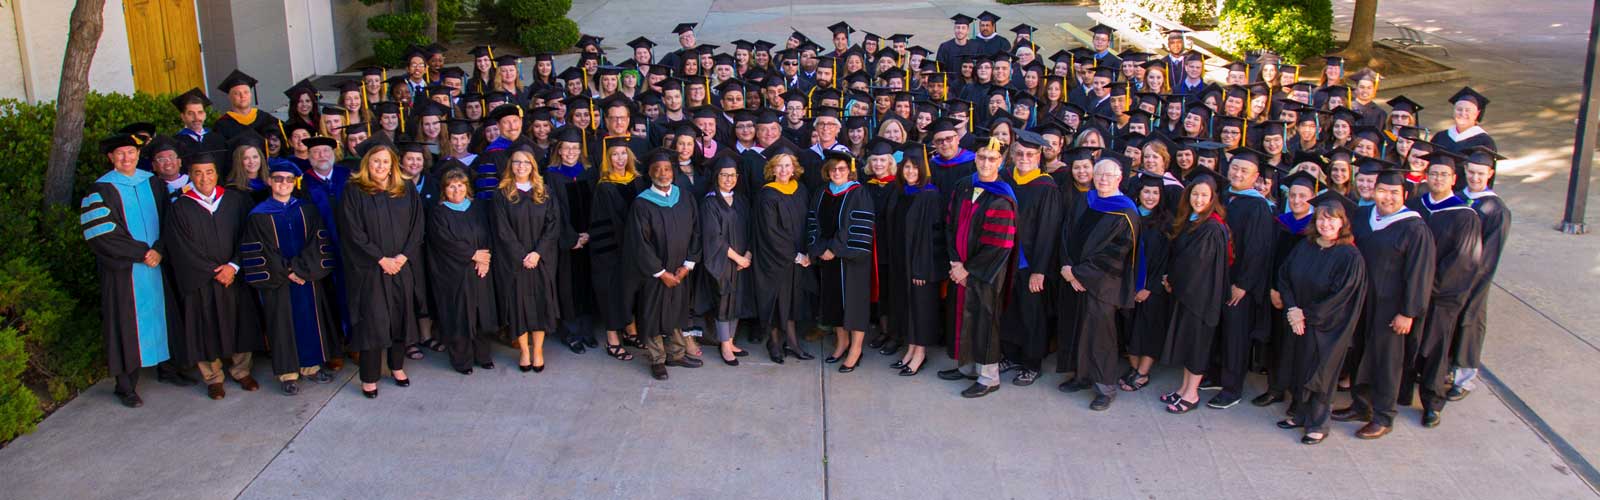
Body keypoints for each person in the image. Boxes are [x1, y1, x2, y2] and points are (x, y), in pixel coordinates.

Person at [1334, 161, 1436, 440]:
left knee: (1386, 361)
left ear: (1404, 194)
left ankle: (1383, 415)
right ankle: (1361, 405)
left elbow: (1420, 273)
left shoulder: (1414, 228)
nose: (1387, 197)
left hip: (1392, 308)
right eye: (1381, 190)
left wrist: (1408, 312)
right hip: (1362, 302)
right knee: (1359, 353)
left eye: (1393, 192)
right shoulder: (1363, 216)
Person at [81, 133, 183, 407]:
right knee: (127, 322)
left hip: (157, 263)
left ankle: (168, 369)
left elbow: (168, 220)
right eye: (120, 153)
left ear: (139, 154)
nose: (127, 157)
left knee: (164, 315)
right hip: (125, 271)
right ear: (111, 158)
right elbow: (102, 234)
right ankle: (125, 386)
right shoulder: (99, 189)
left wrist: (160, 249)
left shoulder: (152, 182)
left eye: (131, 152)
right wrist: (141, 253)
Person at [163, 151, 262, 400]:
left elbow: (249, 236)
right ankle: (213, 377)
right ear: (191, 175)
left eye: (209, 172)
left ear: (217, 174)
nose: (204, 177)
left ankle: (241, 371)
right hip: (202, 281)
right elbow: (180, 247)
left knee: (241, 323)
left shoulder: (235, 201)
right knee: (204, 327)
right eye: (197, 172)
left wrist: (234, 266)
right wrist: (212, 271)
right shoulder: (181, 207)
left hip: (234, 277)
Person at [240, 159, 340, 395]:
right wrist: (289, 271)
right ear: (269, 181)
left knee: (309, 320)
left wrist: (302, 270)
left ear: (295, 183)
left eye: (288, 179)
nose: (283, 183)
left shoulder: (307, 209)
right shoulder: (258, 215)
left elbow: (318, 242)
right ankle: (287, 373)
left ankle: (310, 366)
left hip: (306, 279)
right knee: (281, 324)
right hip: (278, 281)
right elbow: (260, 250)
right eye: (278, 179)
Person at [1275, 202, 1368, 445]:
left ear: (1342, 222)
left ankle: (1318, 423)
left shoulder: (1350, 255)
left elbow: (1341, 295)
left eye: (1332, 219)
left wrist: (1304, 314)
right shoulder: (1306, 246)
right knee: (1299, 366)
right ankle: (1299, 414)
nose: (1326, 224)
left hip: (1329, 326)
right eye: (1321, 219)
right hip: (1298, 320)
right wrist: (1292, 308)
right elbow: (1285, 275)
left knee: (1320, 372)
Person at [337, 144, 426, 399]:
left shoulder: (405, 188)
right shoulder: (354, 190)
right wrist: (380, 259)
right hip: (370, 269)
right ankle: (369, 377)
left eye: (386, 162)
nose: (381, 166)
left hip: (400, 265)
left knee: (400, 317)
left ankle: (397, 367)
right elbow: (352, 232)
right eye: (375, 161)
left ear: (393, 164)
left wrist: (402, 257)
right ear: (367, 163)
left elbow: (417, 225)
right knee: (372, 323)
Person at [1405, 150, 1483, 428]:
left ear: (1454, 178)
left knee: (1435, 351)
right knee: (1405, 345)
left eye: (1443, 174)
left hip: (1441, 298)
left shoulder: (1465, 215)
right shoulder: (1415, 205)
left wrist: (1426, 288)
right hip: (1409, 293)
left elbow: (1462, 262)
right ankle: (1401, 394)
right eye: (1433, 173)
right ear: (1426, 176)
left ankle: (1432, 403)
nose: (1437, 178)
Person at [936, 141, 1017, 398]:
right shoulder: (964, 185)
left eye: (992, 159)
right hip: (959, 267)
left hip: (986, 272)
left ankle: (988, 377)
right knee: (963, 317)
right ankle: (967, 366)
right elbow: (949, 224)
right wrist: (954, 262)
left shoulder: (1002, 196)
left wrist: (967, 269)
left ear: (1001, 162)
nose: (985, 163)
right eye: (982, 157)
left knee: (984, 320)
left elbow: (1000, 244)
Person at [1057, 158, 1139, 410]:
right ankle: (1081, 376)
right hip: (1074, 278)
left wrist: (1079, 274)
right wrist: (1068, 269)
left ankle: (1105, 387)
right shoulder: (1086, 200)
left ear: (1119, 178)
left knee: (1100, 334)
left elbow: (1117, 254)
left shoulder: (1125, 212)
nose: (1103, 179)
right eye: (1099, 174)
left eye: (1109, 175)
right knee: (1077, 327)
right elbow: (1066, 234)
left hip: (1103, 284)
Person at [626, 150, 704, 380]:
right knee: (652, 315)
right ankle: (657, 359)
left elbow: (696, 231)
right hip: (655, 273)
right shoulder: (642, 203)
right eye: (657, 169)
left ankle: (676, 354)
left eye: (667, 169)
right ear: (649, 173)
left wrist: (688, 265)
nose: (663, 173)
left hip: (681, 270)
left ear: (674, 171)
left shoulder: (685, 197)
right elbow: (640, 243)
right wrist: (661, 272)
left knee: (678, 312)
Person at [1159, 169, 1231, 414]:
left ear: (1212, 199)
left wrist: (1173, 280)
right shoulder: (1191, 220)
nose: (1198, 200)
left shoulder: (1212, 227)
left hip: (1201, 297)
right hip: (1188, 293)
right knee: (1189, 344)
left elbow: (1195, 263)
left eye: (1204, 196)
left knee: (1197, 346)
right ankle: (1183, 388)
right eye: (1195, 195)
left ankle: (1191, 394)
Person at [1211, 148, 1277, 410]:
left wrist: (1244, 284)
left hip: (1239, 283)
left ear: (1256, 176)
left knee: (1235, 336)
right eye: (1235, 168)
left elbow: (1258, 249)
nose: (1237, 174)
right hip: (1218, 279)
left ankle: (1231, 388)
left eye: (1244, 171)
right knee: (1219, 330)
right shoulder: (1225, 196)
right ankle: (1215, 375)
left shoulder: (1259, 206)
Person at [998, 131, 1063, 386]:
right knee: (1009, 310)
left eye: (1030, 154)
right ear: (1012, 155)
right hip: (1005, 260)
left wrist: (1040, 270)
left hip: (1030, 264)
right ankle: (1012, 355)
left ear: (1039, 157)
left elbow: (1048, 233)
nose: (1024, 158)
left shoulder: (1046, 187)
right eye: (1020, 153)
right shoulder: (1005, 179)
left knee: (1031, 313)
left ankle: (1032, 363)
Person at [492, 148, 562, 373]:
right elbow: (502, 230)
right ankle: (524, 350)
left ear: (533, 166)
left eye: (526, 163)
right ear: (510, 166)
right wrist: (522, 254)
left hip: (541, 259)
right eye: (516, 162)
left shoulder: (544, 192)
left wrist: (537, 253)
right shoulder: (502, 194)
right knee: (518, 305)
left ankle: (538, 350)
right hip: (514, 261)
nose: (521, 167)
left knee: (540, 304)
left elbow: (553, 226)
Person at [808, 150, 876, 372]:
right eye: (833, 169)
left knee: (855, 304)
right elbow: (813, 221)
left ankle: (856, 349)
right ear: (827, 171)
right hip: (827, 258)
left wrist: (834, 249)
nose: (837, 172)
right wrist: (819, 248)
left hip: (851, 259)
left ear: (850, 171)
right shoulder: (821, 192)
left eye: (842, 169)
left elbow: (857, 227)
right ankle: (842, 342)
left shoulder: (859, 193)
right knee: (833, 301)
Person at [1451, 147, 1511, 401]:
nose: (1475, 178)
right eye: (1471, 172)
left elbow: (1490, 253)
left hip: (1474, 278)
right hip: (1447, 276)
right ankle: (1445, 370)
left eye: (1480, 173)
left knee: (1470, 322)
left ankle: (1463, 379)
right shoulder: (1455, 198)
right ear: (1465, 171)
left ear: (1490, 173)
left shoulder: (1495, 209)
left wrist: (1472, 281)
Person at [427, 169, 499, 375]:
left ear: (467, 187)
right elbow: (444, 241)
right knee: (459, 316)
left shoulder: (477, 208)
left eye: (460, 185)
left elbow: (487, 233)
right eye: (451, 186)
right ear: (444, 190)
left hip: (479, 272)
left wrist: (485, 259)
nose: (456, 190)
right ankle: (462, 360)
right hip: (454, 274)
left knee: (481, 313)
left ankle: (483, 356)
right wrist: (473, 255)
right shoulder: (439, 212)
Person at [753, 151, 817, 363]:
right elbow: (771, 232)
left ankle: (791, 342)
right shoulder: (767, 194)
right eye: (779, 166)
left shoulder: (800, 190)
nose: (784, 170)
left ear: (794, 168)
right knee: (776, 300)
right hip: (775, 259)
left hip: (799, 256)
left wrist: (808, 251)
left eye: (788, 166)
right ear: (772, 169)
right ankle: (774, 342)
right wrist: (795, 256)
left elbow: (809, 222)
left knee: (792, 301)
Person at [588, 136, 647, 359]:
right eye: (614, 154)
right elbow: (600, 224)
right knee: (612, 291)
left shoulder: (638, 181)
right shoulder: (604, 187)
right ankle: (612, 339)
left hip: (635, 248)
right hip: (611, 250)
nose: (619, 158)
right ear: (607, 158)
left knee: (632, 289)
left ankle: (631, 330)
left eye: (623, 153)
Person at [1120, 175, 1174, 393]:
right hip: (1127, 284)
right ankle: (1134, 369)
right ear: (1139, 193)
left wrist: (1149, 287)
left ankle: (1143, 373)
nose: (1150, 196)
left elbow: (1167, 259)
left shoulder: (1167, 222)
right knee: (1130, 327)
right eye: (1146, 192)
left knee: (1149, 328)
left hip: (1152, 289)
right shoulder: (1129, 216)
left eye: (1155, 192)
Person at [698, 159, 755, 365]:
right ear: (716, 177)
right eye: (724, 175)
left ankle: (731, 341)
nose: (729, 179)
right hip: (723, 262)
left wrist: (747, 255)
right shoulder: (709, 202)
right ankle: (724, 345)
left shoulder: (742, 200)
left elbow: (751, 230)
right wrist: (738, 257)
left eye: (733, 175)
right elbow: (714, 238)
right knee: (723, 301)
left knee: (737, 300)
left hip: (742, 262)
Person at [212, 70, 283, 143]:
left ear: (250, 95)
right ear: (229, 97)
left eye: (246, 92)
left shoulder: (266, 119)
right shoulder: (222, 125)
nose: (242, 96)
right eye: (237, 93)